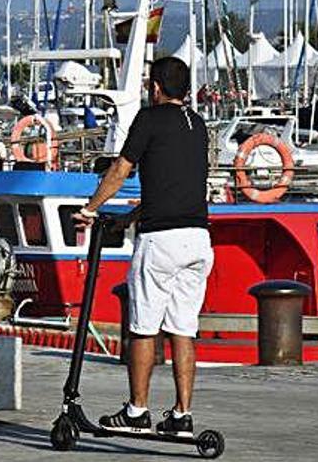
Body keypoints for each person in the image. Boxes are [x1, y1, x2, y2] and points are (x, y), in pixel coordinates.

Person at [72, 57, 213, 438]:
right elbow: (172, 186)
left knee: (144, 328)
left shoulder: (149, 121)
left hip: (161, 242)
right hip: (199, 239)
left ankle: (137, 411)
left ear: (155, 88)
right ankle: (182, 415)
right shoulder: (198, 126)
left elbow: (120, 170)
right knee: (184, 328)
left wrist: (90, 209)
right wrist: (128, 219)